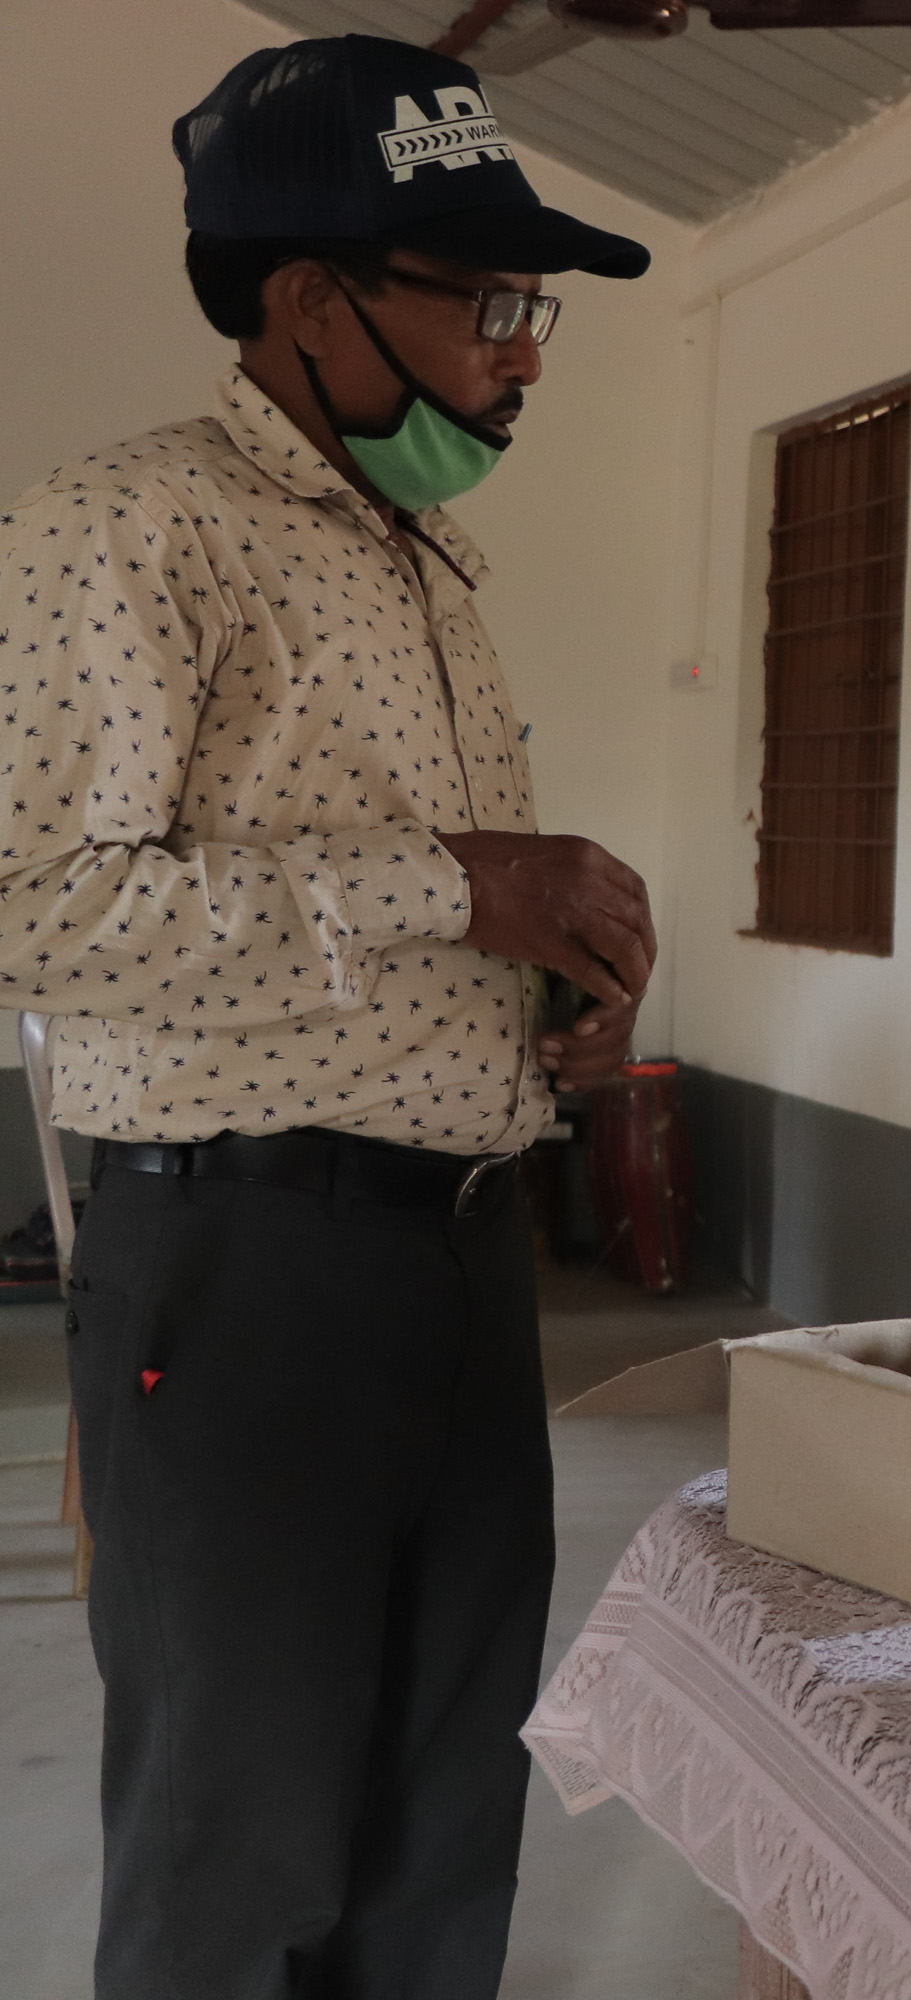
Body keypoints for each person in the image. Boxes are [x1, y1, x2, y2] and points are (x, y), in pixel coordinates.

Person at [0, 37, 656, 1995]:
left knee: (445, 1810)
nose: (525, 352)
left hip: (459, 1261)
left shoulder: (426, 558)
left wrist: (555, 984)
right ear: (308, 302)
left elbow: (404, 895)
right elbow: (32, 908)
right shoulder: (125, 531)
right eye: (486, 302)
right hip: (239, 1267)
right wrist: (460, 884)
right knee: (244, 1822)